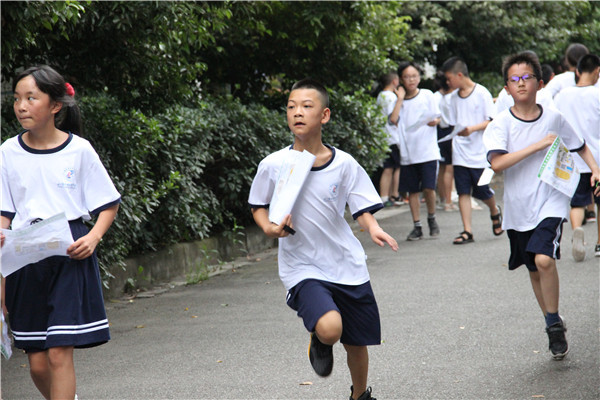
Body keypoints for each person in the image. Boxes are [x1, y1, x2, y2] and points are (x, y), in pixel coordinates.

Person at [248, 79, 398, 400]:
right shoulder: (274, 164)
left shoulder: (344, 164)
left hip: (346, 263)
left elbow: (360, 206)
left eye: (306, 106)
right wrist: (270, 229)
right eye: (291, 107)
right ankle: (320, 336)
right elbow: (257, 205)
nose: (297, 113)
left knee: (356, 343)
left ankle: (360, 395)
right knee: (331, 328)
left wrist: (372, 228)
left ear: (325, 115)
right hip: (302, 266)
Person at [0, 65, 121, 399]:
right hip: (24, 255)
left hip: (69, 253)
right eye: (16, 99)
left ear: (55, 105)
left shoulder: (79, 150)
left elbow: (107, 204)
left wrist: (94, 237)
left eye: (30, 98)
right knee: (37, 363)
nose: (21, 106)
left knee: (58, 352)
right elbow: (4, 213)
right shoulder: (7, 152)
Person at [483, 52, 600, 360]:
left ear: (540, 82)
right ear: (507, 87)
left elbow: (579, 145)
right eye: (514, 79)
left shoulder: (553, 117)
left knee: (544, 260)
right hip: (519, 208)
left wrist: (595, 169)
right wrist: (536, 145)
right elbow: (497, 163)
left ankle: (553, 327)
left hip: (552, 199)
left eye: (527, 77)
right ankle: (552, 319)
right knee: (534, 268)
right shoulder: (501, 124)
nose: (521, 83)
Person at [441, 57, 503, 244]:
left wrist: (471, 129)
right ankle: (467, 231)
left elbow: (492, 120)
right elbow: (451, 122)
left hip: (479, 152)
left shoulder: (481, 93)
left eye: (449, 78)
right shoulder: (451, 98)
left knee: (482, 189)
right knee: (463, 192)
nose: (448, 82)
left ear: (459, 75)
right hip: (460, 151)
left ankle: (494, 210)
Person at [554, 54, 600, 260]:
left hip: (572, 160)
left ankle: (576, 231)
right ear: (597, 71)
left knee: (577, 203)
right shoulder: (598, 94)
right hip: (596, 159)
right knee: (598, 202)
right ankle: (599, 243)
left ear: (578, 71)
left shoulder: (562, 95)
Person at [395, 62, 441, 240]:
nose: (411, 80)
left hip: (427, 150)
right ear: (401, 79)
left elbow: (437, 117)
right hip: (408, 152)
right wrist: (399, 99)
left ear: (419, 77)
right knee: (412, 191)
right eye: (407, 77)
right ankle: (417, 225)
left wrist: (434, 122)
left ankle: (431, 218)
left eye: (414, 76)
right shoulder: (398, 100)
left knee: (429, 188)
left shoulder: (427, 95)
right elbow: (393, 119)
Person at [375, 72, 403, 207]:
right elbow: (394, 117)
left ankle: (384, 196)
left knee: (387, 167)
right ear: (394, 81)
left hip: (383, 136)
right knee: (395, 167)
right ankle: (394, 194)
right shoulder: (392, 97)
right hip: (393, 136)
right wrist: (400, 100)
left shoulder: (380, 95)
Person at [433, 71, 458, 212]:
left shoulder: (435, 96)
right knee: (449, 168)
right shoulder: (452, 97)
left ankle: (443, 199)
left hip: (437, 133)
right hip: (450, 132)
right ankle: (448, 201)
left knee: (441, 168)